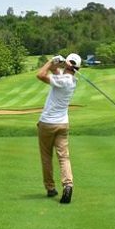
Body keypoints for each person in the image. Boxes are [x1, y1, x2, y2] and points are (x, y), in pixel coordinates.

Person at [36, 53, 82, 204]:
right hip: (63, 124)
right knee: (64, 157)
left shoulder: (63, 80)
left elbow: (40, 75)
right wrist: (59, 63)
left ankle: (50, 188)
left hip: (47, 123)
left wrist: (50, 61)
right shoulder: (71, 80)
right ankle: (68, 185)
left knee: (46, 157)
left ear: (69, 65)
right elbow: (57, 72)